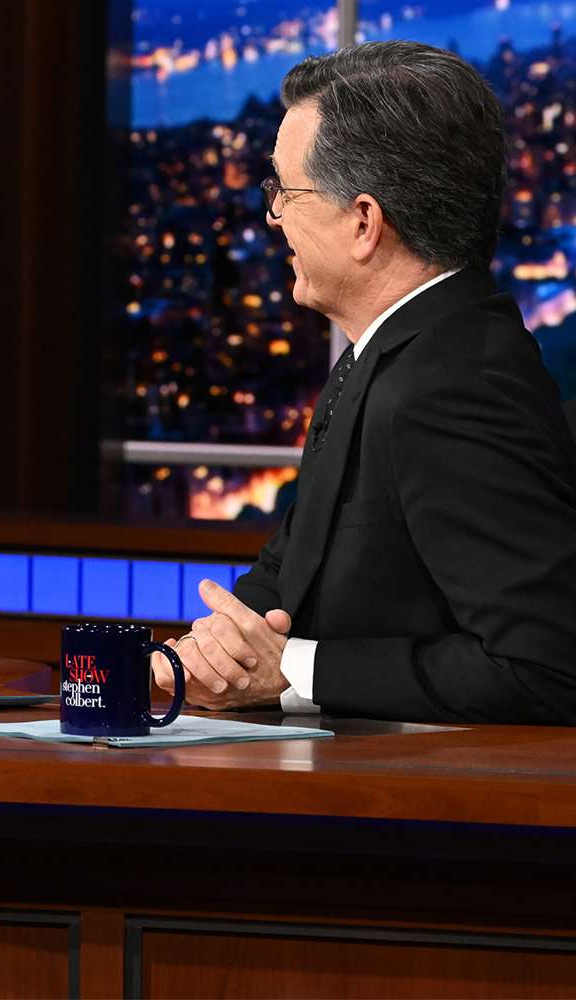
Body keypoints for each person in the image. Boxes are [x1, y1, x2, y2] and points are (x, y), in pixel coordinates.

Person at [153, 42, 576, 724]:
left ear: (363, 222)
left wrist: (289, 670)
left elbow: (548, 665)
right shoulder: (384, 355)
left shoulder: (455, 383)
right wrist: (202, 656)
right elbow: (292, 571)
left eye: (283, 193)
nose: (273, 218)